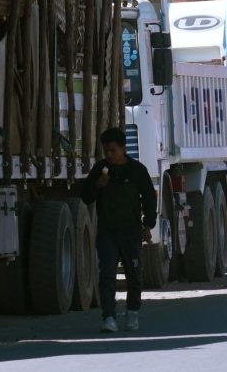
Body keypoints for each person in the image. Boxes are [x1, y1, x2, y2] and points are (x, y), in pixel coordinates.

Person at [82, 127, 157, 332]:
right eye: (105, 151)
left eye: (112, 150)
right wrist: (98, 185)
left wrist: (148, 224)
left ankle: (132, 313)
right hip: (107, 232)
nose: (109, 155)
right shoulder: (100, 169)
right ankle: (109, 317)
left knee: (134, 274)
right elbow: (86, 196)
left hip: (131, 232)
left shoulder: (136, 170)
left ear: (123, 148)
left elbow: (149, 197)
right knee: (106, 274)